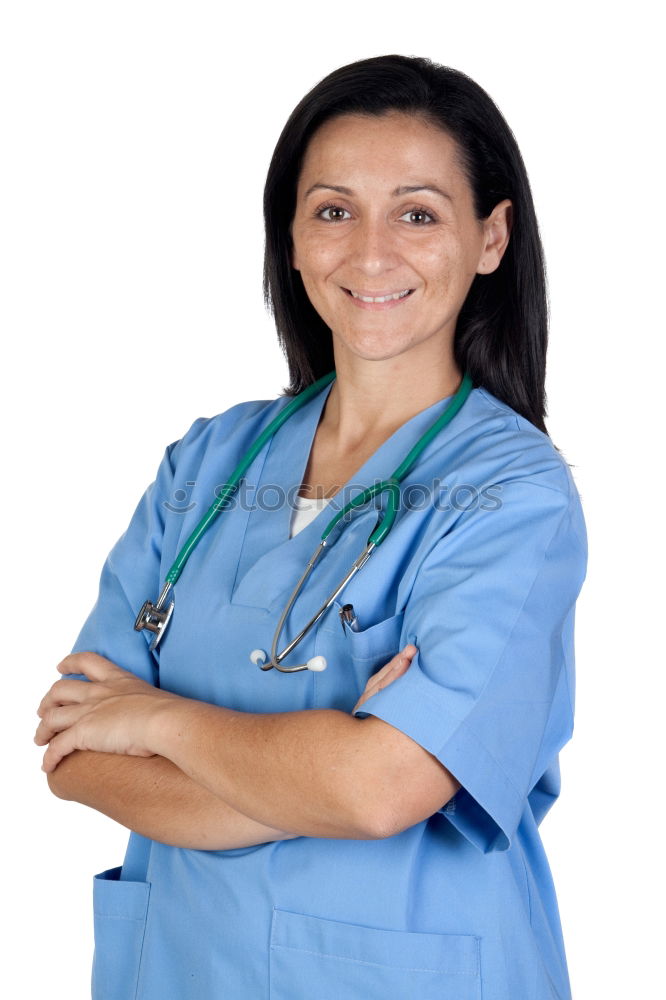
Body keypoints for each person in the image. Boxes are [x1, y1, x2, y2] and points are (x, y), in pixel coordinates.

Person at [35, 54, 587, 999]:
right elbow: (75, 753)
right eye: (333, 210)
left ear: (492, 238)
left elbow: (381, 792)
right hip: (177, 967)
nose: (371, 252)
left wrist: (157, 719)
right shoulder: (208, 464)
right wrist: (320, 768)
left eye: (418, 213)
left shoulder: (514, 497)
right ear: (290, 238)